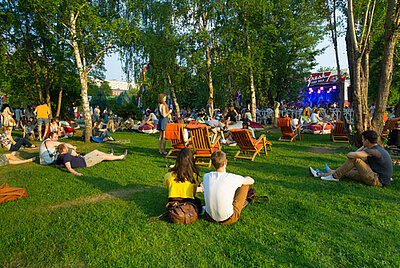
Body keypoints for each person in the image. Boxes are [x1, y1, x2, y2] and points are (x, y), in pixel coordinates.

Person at [309, 130, 393, 186]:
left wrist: (363, 146)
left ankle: (334, 176)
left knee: (355, 159)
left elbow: (351, 155)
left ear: (367, 141)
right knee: (346, 171)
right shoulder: (376, 148)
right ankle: (319, 175)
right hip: (375, 177)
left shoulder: (373, 151)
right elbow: (360, 160)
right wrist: (363, 146)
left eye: (363, 140)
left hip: (377, 180)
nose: (362, 141)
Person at [203, 150, 255, 225]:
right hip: (228, 219)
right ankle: (238, 204)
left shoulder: (206, 176)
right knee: (245, 184)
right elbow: (251, 181)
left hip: (209, 216)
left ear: (212, 163)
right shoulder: (231, 177)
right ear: (225, 162)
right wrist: (246, 177)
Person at [163, 148, 202, 213]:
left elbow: (168, 187)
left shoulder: (168, 175)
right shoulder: (195, 176)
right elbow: (194, 193)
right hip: (189, 203)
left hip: (173, 203)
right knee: (198, 202)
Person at [56, 143, 127, 176]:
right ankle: (121, 157)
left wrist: (63, 165)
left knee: (96, 151)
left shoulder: (59, 156)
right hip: (86, 162)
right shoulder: (66, 157)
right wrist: (77, 173)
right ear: (64, 149)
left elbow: (57, 166)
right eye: (67, 148)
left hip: (83, 158)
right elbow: (69, 168)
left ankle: (111, 155)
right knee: (102, 157)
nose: (68, 148)